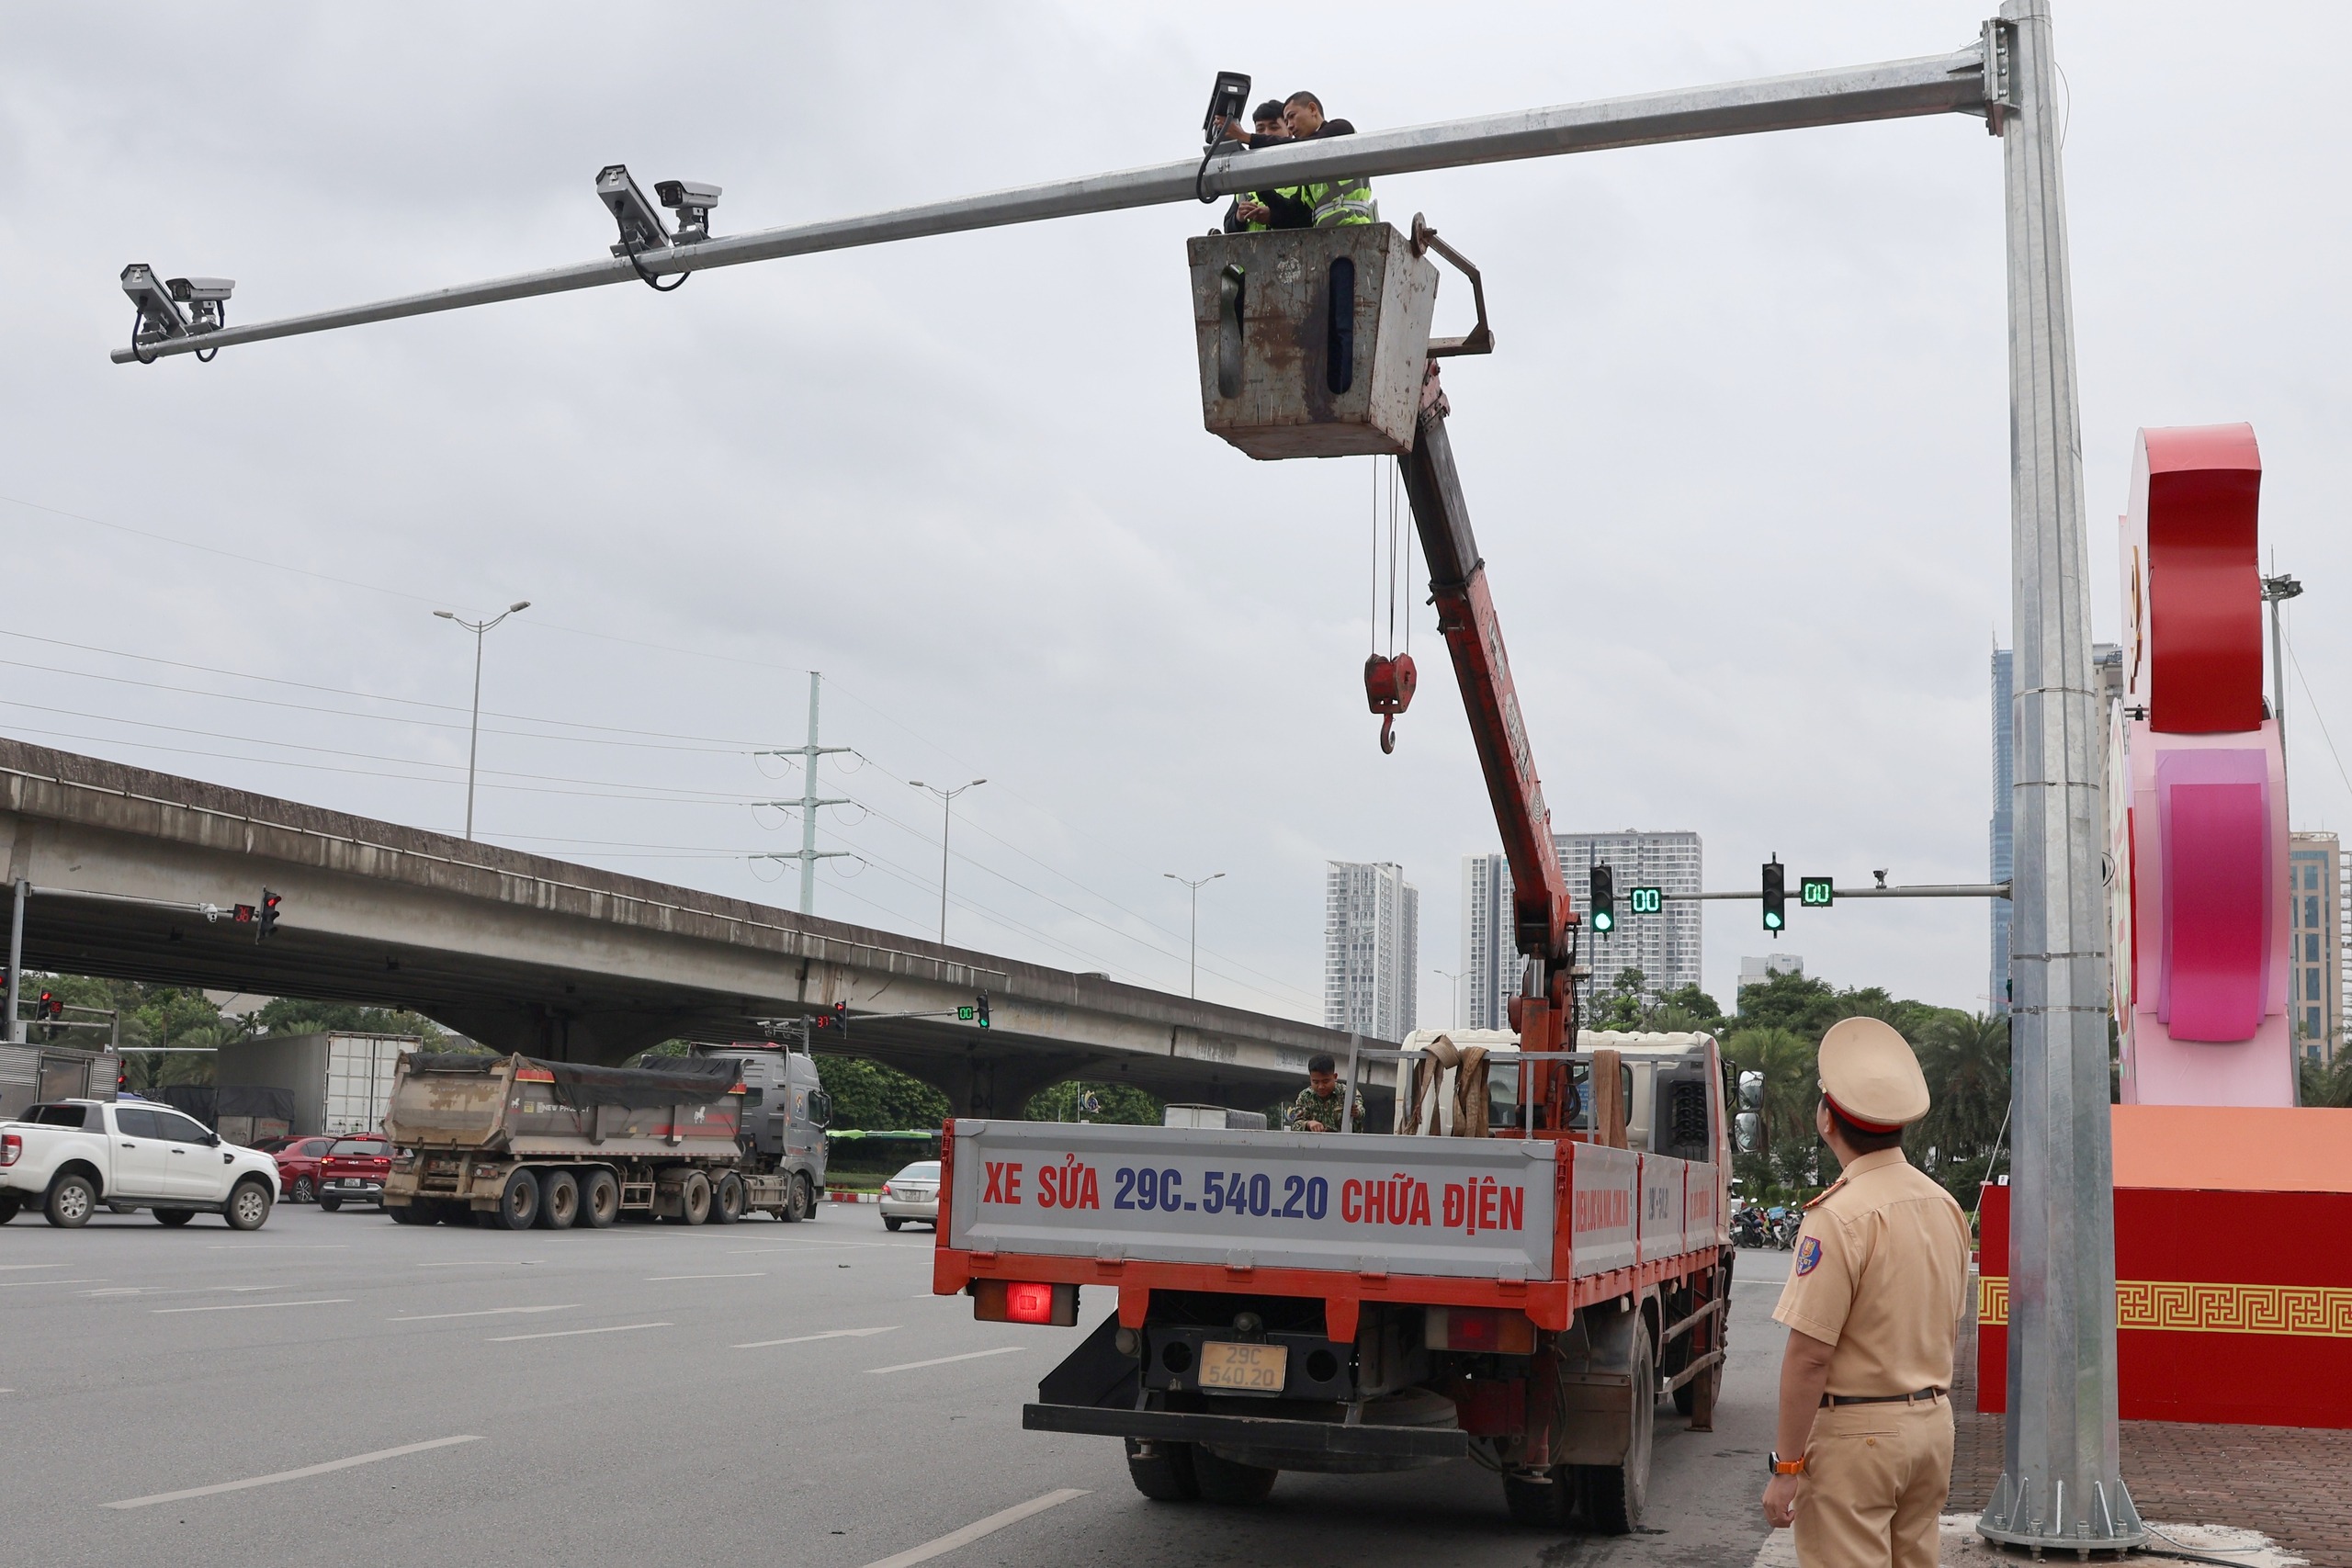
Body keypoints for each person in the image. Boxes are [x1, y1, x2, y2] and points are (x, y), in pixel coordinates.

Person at [1759, 1017, 1973, 1567]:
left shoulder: (1838, 1216)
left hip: (1859, 1439)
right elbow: (1950, 1324)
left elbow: (1809, 1357)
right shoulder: (1944, 1205)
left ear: (1827, 1118)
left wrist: (1786, 1469)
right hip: (1931, 1426)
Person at [1225, 99, 1293, 232]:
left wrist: (1272, 216)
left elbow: (1305, 216)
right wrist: (1239, 218)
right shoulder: (1247, 177)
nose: (1266, 134)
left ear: (1289, 131)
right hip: (1253, 252)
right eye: (1260, 129)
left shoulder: (1304, 170)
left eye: (1274, 127)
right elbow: (1228, 227)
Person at [1286, 1053, 1364, 1133]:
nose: (1321, 1087)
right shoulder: (1305, 1096)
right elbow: (1295, 1124)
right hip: (1315, 1144)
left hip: (1344, 1143)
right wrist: (1308, 1124)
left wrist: (1356, 1112)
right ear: (1310, 1079)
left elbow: (1360, 1110)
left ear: (1335, 1077)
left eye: (1325, 1081)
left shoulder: (1347, 1093)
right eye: (1315, 1082)